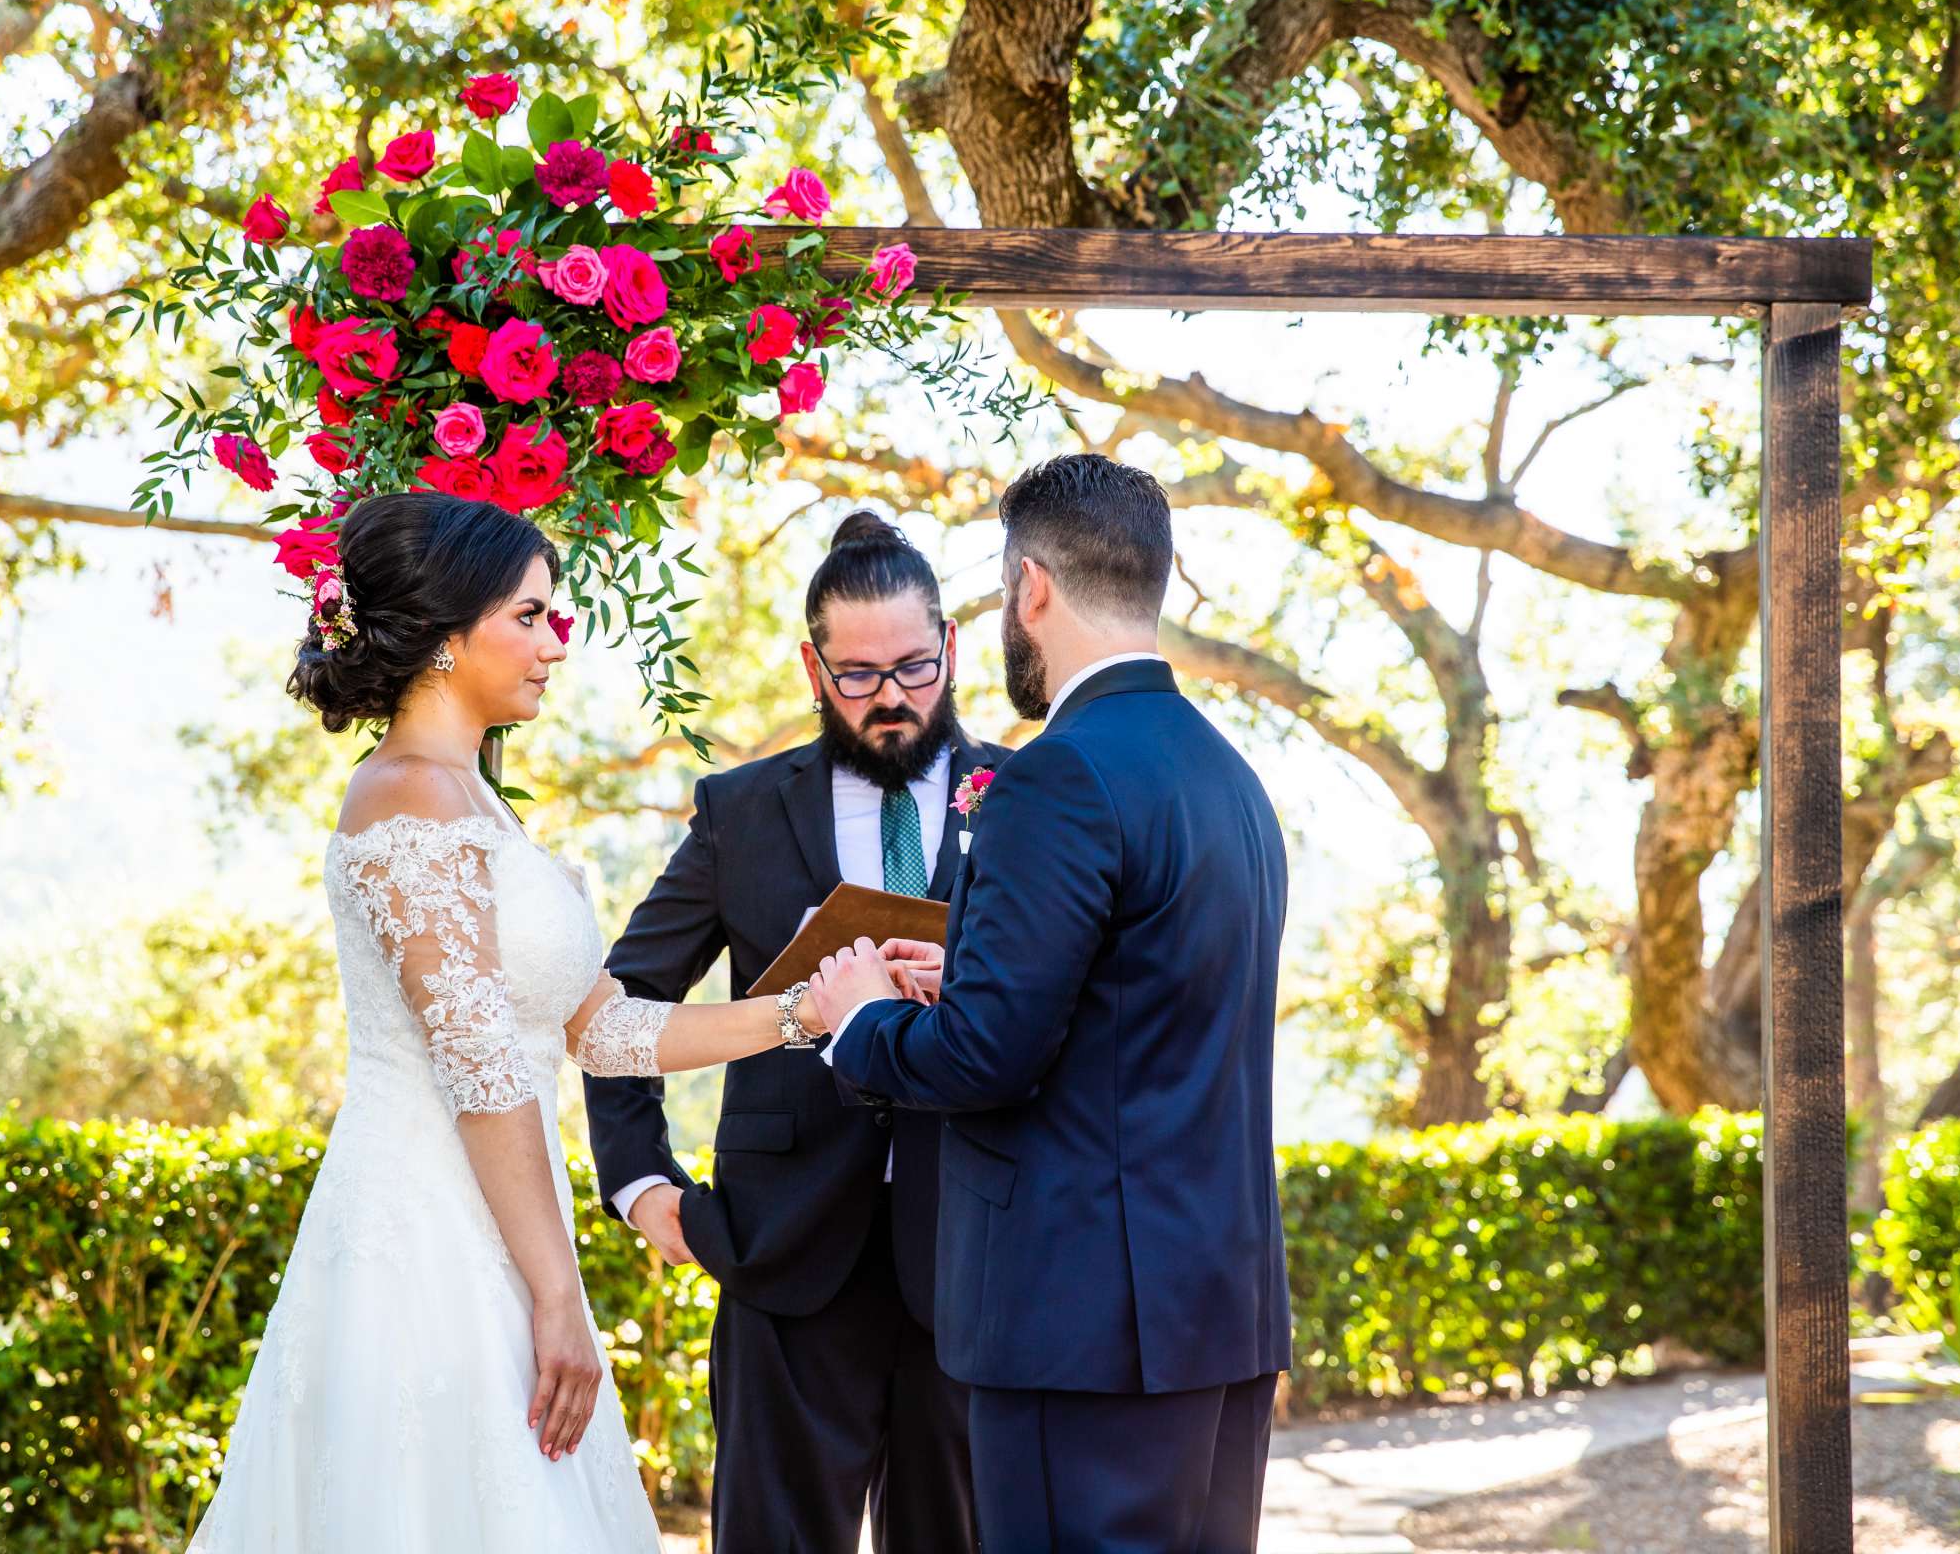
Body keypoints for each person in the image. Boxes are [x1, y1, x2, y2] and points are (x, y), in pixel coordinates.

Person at [188, 492, 854, 1554]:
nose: (556, 644)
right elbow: (485, 1076)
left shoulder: (475, 800)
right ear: (451, 636)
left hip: (499, 1234)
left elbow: (604, 1032)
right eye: (532, 616)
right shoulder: (407, 797)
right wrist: (555, 1292)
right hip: (426, 1248)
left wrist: (801, 1009)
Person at [814, 454, 1292, 1554]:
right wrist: (973, 972)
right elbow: (1148, 1005)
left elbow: (988, 1057)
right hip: (1216, 1311)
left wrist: (860, 1017)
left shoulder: (1057, 775)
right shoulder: (1228, 777)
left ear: (1031, 585)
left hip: (1081, 1329)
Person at [586, 512, 1001, 1554]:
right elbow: (617, 1004)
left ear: (951, 647)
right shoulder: (738, 810)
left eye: (913, 664)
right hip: (784, 1251)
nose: (893, 696)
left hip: (979, 1251)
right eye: (858, 675)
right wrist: (643, 1182)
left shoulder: (1031, 797)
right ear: (813, 670)